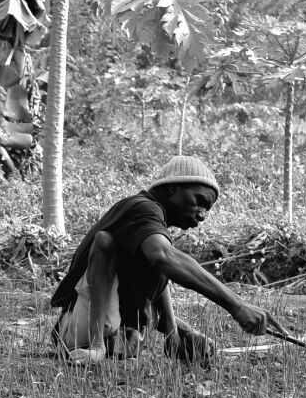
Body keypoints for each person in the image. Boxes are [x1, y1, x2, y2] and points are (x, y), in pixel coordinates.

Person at [49, 155, 287, 366]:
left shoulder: (152, 226)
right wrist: (237, 306)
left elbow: (159, 270)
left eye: (208, 209)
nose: (202, 215)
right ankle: (97, 344)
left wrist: (173, 334)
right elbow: (163, 258)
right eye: (200, 201)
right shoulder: (142, 207)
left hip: (123, 333)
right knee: (106, 242)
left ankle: (123, 340)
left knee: (158, 252)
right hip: (77, 329)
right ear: (173, 188)